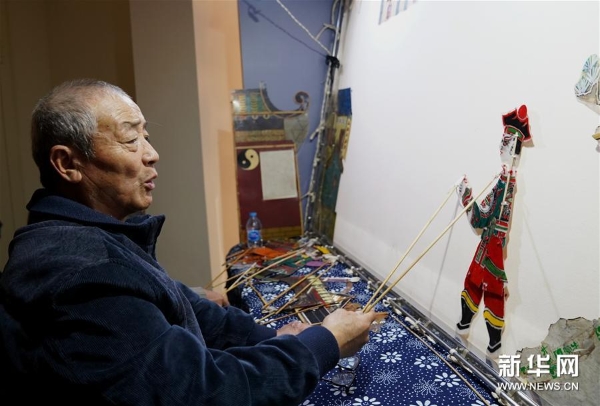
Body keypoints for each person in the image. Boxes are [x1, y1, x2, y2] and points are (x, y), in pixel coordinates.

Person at [0, 79, 378, 405]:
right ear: (67, 164)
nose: (152, 154)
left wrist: (268, 335)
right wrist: (326, 343)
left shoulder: (85, 235)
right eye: (130, 139)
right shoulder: (83, 273)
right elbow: (207, 393)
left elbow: (175, 299)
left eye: (146, 136)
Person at [455, 105, 532, 355]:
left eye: (506, 142)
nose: (501, 145)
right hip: (490, 243)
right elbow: (484, 218)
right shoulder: (504, 180)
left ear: (513, 147)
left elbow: (481, 219)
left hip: (493, 246)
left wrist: (466, 195)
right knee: (475, 284)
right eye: (503, 140)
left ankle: (492, 343)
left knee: (490, 291)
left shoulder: (506, 181)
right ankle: (468, 328)